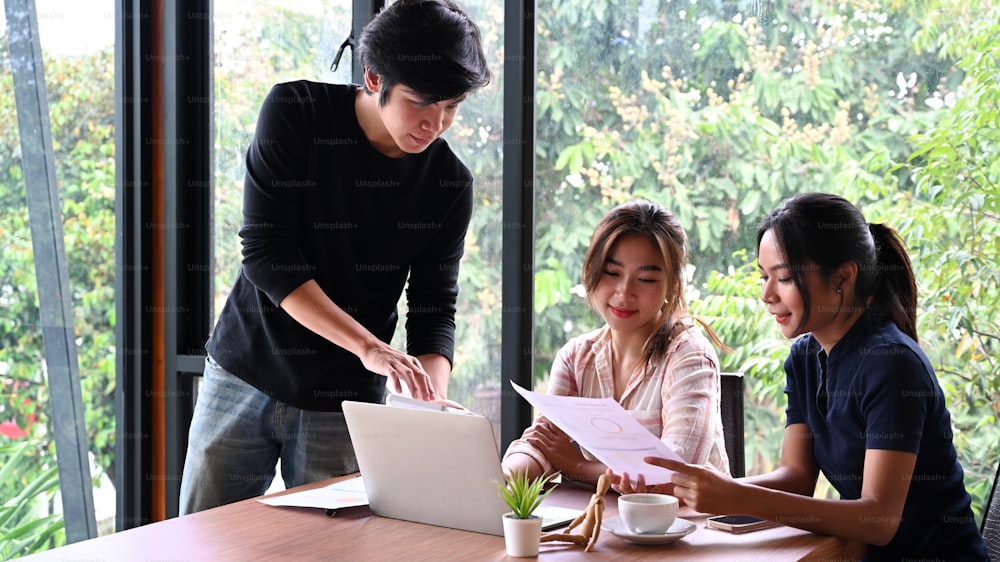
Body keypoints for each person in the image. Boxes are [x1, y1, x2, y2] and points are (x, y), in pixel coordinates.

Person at [179, 0, 491, 514]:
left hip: (346, 403)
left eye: (452, 106)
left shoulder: (448, 183)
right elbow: (266, 251)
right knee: (201, 539)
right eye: (421, 102)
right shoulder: (296, 112)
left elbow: (435, 307)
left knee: (334, 548)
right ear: (373, 78)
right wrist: (372, 349)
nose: (436, 123)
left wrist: (428, 406)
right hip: (245, 369)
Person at [613, 193, 990, 560]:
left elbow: (879, 520)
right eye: (763, 277)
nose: (767, 295)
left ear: (843, 277)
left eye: (785, 278)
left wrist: (734, 496)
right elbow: (796, 477)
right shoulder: (805, 358)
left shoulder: (892, 363)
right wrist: (695, 489)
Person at [501, 200, 731, 490]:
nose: (625, 292)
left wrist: (578, 467)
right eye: (612, 273)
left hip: (688, 527)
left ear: (671, 286)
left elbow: (675, 474)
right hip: (604, 523)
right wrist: (506, 475)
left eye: (646, 279)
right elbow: (544, 441)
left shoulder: (689, 355)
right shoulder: (576, 357)